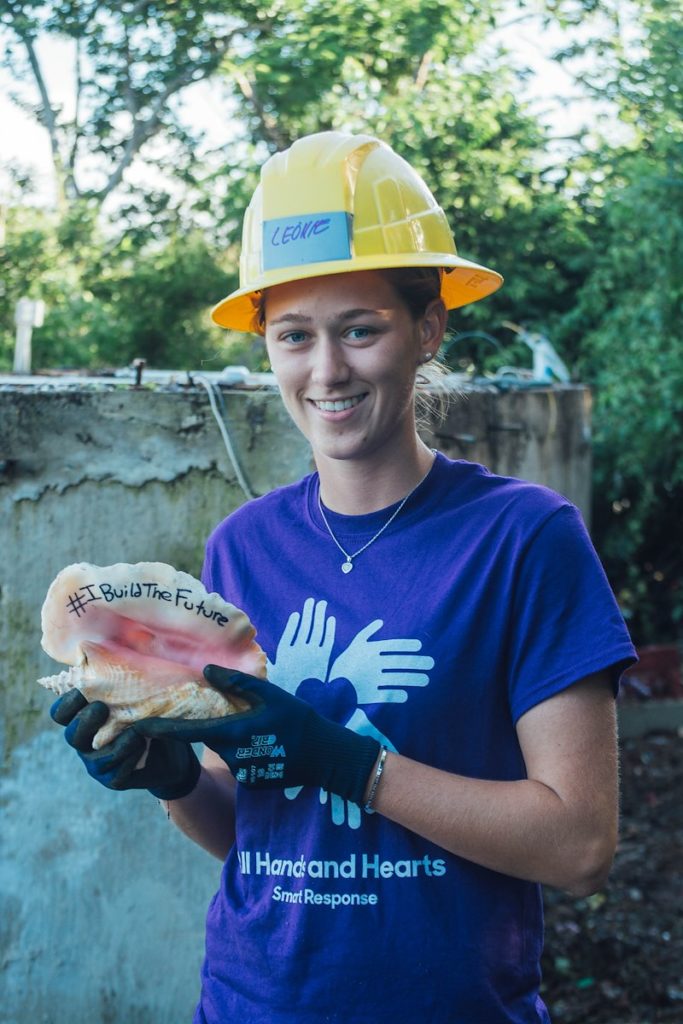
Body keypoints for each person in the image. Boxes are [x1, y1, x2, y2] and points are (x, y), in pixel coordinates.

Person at [52, 131, 636, 1024]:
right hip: (252, 1002)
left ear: (427, 328)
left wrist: (349, 763)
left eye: (360, 329)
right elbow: (254, 834)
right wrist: (170, 780)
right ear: (267, 348)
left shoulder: (523, 538)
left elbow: (579, 845)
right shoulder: (242, 546)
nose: (326, 371)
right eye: (293, 336)